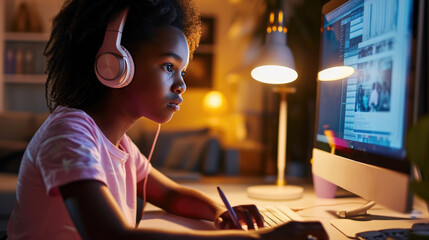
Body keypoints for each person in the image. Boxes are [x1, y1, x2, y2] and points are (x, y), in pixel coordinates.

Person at [6, 0, 328, 239]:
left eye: (182, 71)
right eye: (168, 66)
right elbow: (111, 236)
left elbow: (172, 195)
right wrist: (254, 238)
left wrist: (220, 212)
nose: (181, 84)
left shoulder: (119, 144)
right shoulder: (70, 133)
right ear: (116, 64)